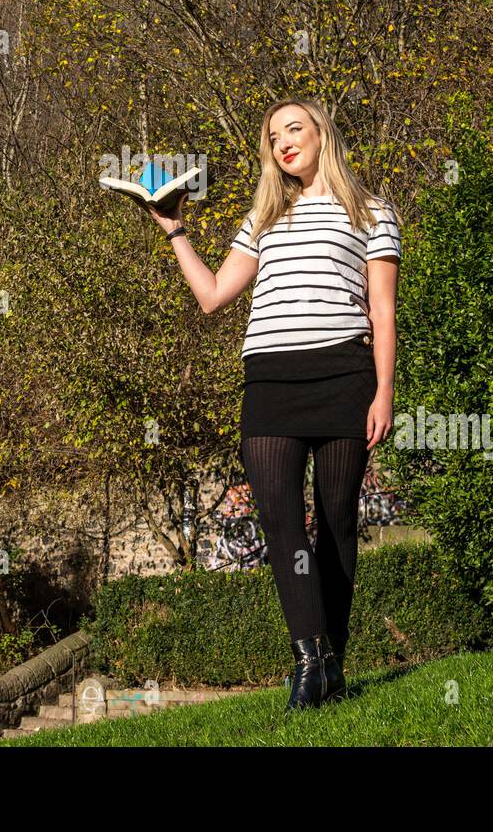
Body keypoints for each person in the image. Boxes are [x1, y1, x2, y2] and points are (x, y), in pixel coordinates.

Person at [145, 97, 401, 712]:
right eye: (274, 135)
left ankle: (330, 666)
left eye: (295, 129)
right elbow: (212, 297)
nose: (284, 141)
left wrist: (385, 392)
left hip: (343, 376)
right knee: (282, 523)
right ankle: (310, 662)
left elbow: (383, 312)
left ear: (321, 134)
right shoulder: (262, 216)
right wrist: (174, 227)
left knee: (337, 522)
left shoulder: (371, 211)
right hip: (269, 382)